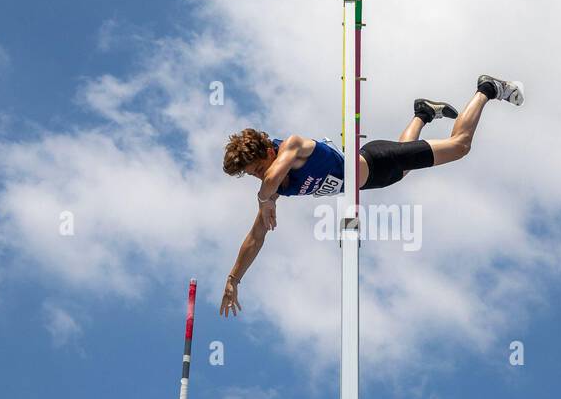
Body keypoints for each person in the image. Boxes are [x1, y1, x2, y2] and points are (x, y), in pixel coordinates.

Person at [218, 74, 523, 315]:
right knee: (405, 171)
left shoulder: (292, 148)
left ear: (270, 151)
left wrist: (264, 199)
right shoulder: (275, 188)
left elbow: (270, 179)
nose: (258, 177)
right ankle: (423, 113)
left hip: (377, 159)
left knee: (459, 147)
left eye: (257, 168)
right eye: (252, 175)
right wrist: (233, 279)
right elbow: (256, 235)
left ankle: (487, 89)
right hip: (375, 177)